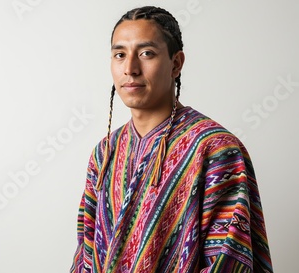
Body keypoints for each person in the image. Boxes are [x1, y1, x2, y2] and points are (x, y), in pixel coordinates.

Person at [70, 6, 273, 273]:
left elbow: (228, 258)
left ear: (176, 63)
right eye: (120, 55)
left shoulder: (215, 148)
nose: (130, 68)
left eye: (146, 54)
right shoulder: (105, 152)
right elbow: (86, 252)